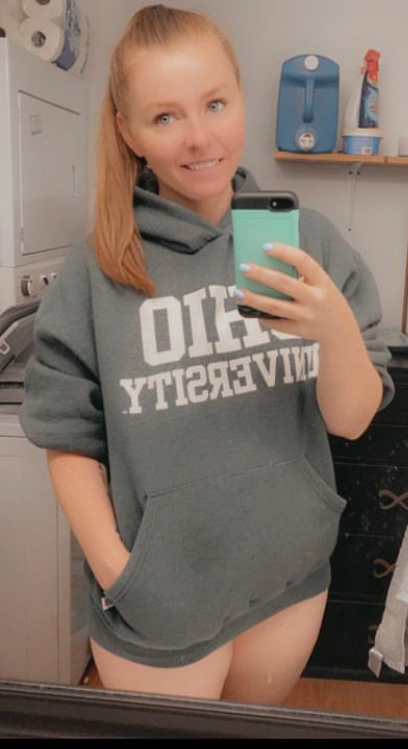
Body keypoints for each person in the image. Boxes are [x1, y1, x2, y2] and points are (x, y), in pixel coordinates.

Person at [18, 4, 395, 705]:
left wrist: (335, 331)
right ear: (128, 131)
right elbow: (68, 438)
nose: (199, 137)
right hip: (160, 607)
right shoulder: (97, 271)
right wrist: (121, 573)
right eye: (165, 116)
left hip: (289, 583)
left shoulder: (307, 243)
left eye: (215, 104)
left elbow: (350, 420)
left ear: (240, 101)